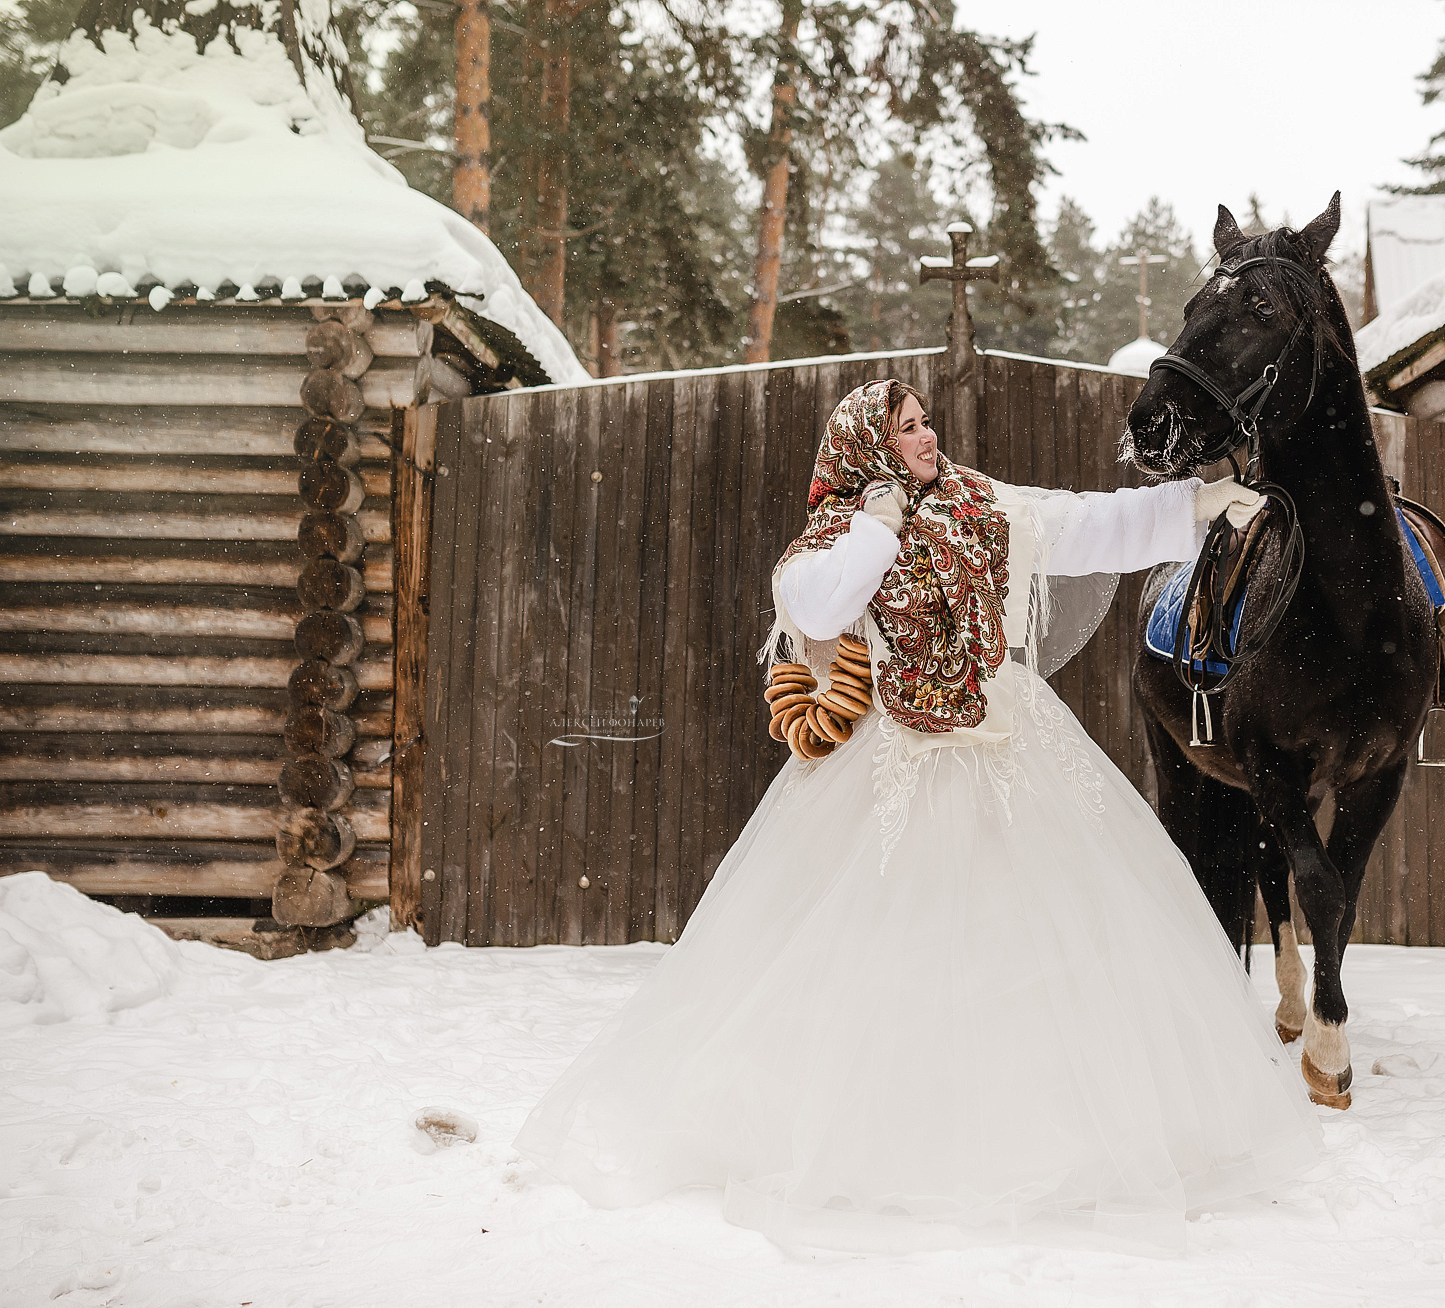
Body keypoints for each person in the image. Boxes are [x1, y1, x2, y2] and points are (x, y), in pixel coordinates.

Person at [513, 379, 1322, 1255]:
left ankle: (1045, 1131)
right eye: (905, 429)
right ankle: (882, 1137)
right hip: (891, 759)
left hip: (1009, 741)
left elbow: (1088, 524)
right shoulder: (821, 544)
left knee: (1041, 939)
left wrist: (1195, 504)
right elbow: (823, 606)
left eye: (927, 420)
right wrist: (881, 518)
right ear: (866, 447)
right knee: (884, 950)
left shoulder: (980, 502)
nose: (928, 436)